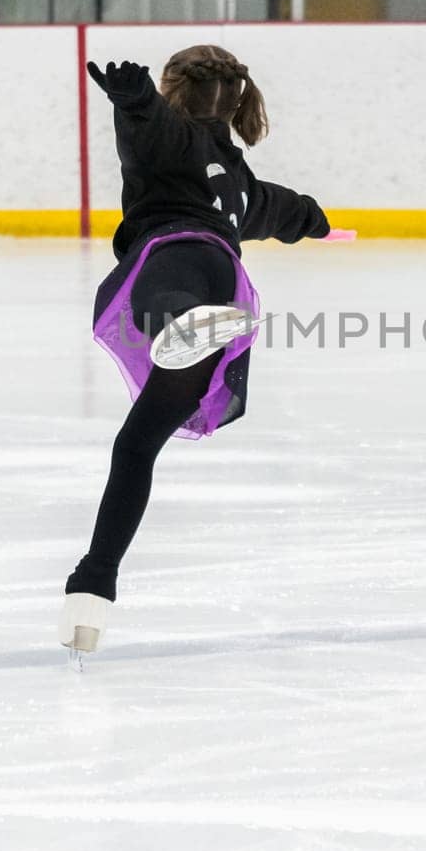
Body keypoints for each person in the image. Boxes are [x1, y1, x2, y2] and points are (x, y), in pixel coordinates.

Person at [60, 45, 352, 660]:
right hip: (227, 276)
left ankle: (182, 321)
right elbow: (287, 210)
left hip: (174, 261)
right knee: (135, 443)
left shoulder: (169, 140)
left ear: (174, 88)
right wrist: (320, 222)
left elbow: (152, 128)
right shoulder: (241, 183)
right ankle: (91, 591)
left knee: (150, 301)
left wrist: (134, 98)